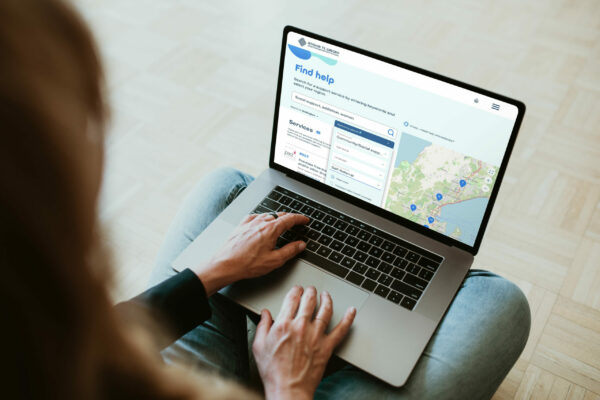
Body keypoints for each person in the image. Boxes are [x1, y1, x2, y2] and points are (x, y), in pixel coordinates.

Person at [0, 0, 531, 399]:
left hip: (144, 374)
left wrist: (205, 275)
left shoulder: (36, 328)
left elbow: (96, 345)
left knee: (227, 186)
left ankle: (315, 332)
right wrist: (288, 387)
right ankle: (335, 362)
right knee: (497, 304)